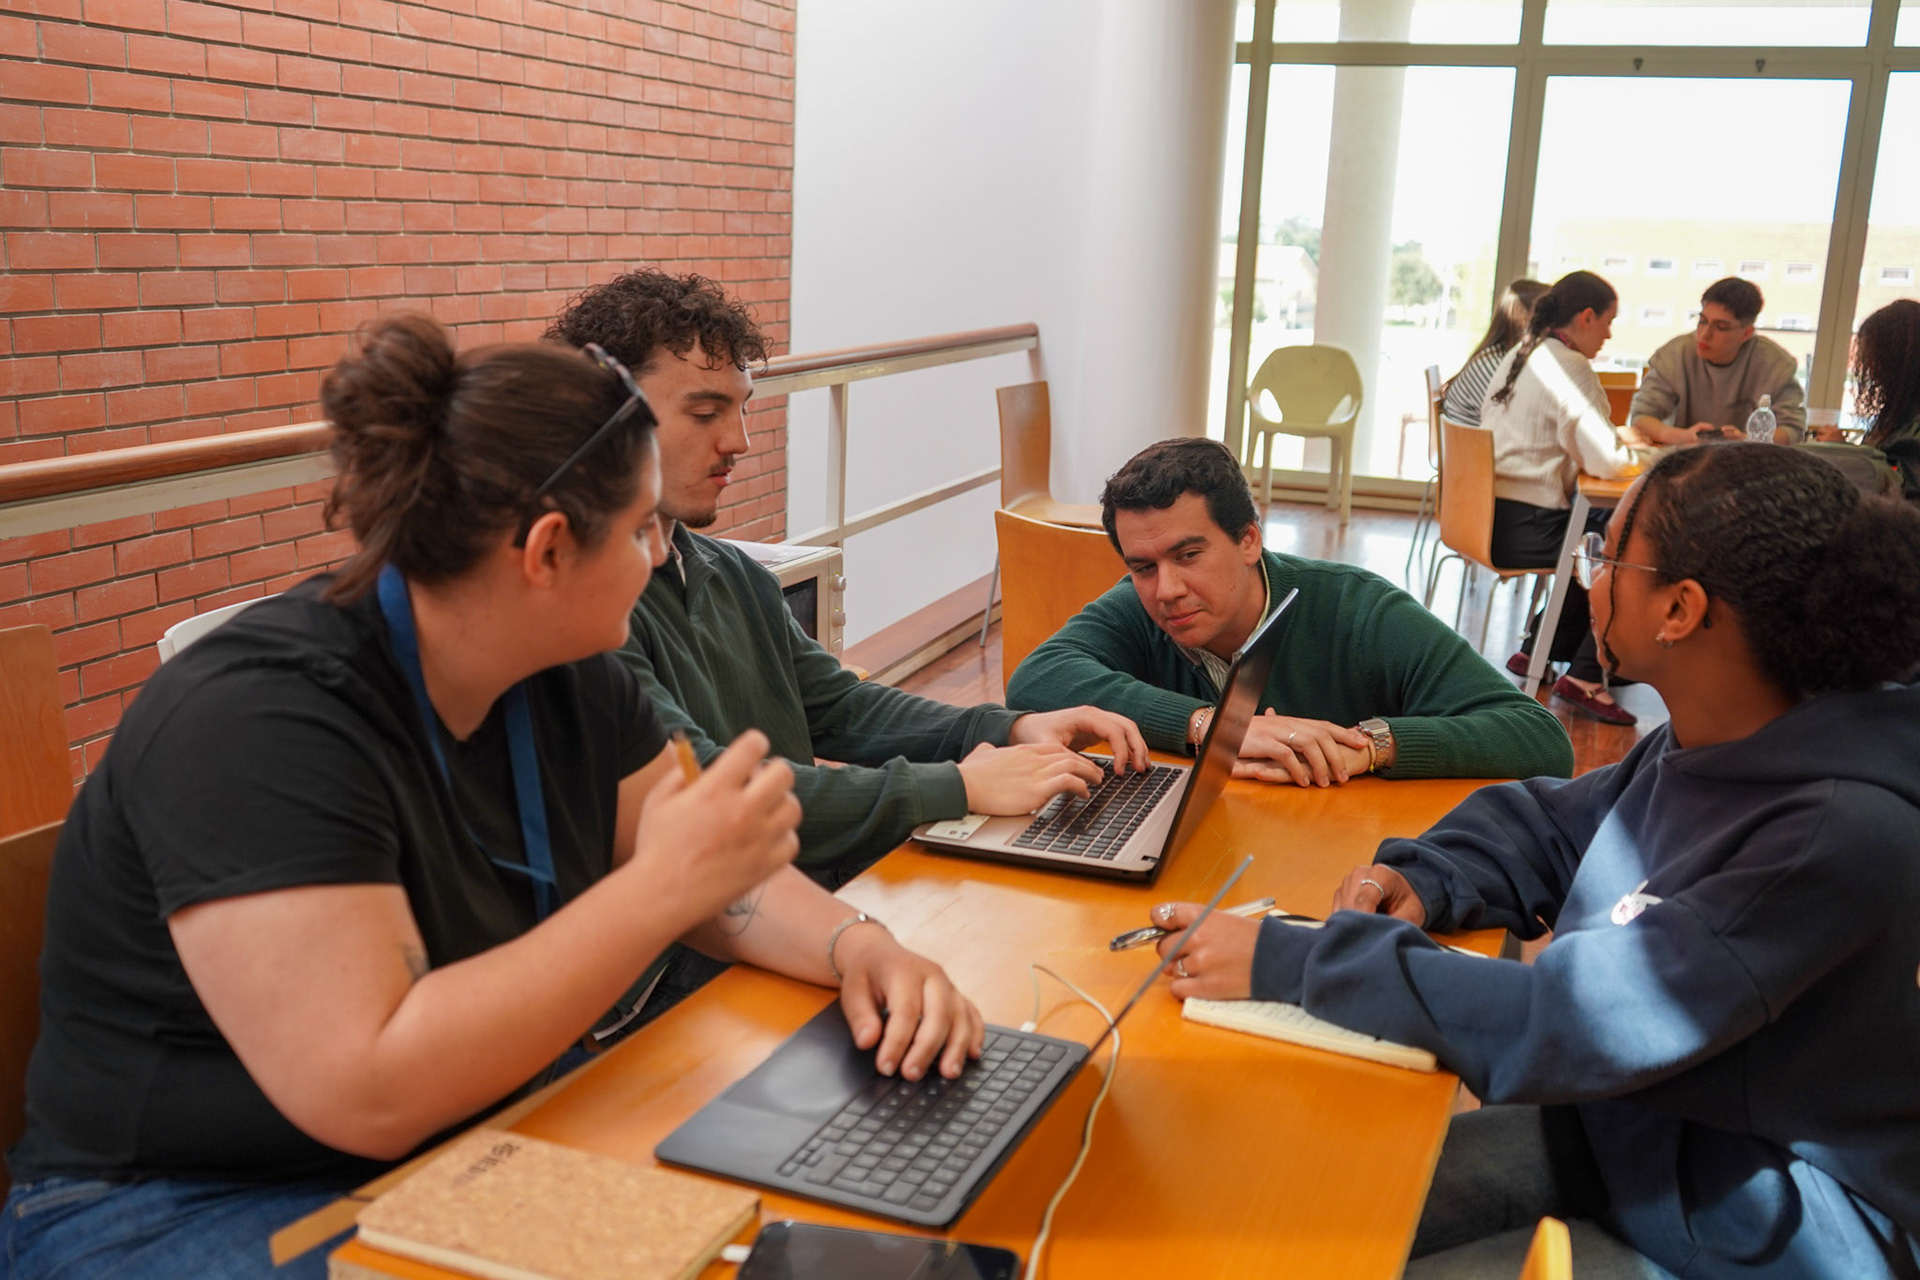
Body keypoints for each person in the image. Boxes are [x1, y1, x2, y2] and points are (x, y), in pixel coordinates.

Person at [1, 316, 985, 1280]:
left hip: (475, 1127)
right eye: (641, 529)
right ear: (548, 550)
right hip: (184, 1198)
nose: (659, 555)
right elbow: (369, 1090)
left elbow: (720, 878)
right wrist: (657, 892)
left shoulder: (571, 671)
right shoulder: (258, 719)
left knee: (844, 1213)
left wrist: (860, 946)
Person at [1146, 442, 1920, 1279]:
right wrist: (1426, 876)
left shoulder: (1827, 838)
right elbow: (1555, 824)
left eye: (1608, 557)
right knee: (1280, 1216)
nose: (1590, 579)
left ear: (1680, 609)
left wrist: (1289, 962)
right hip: (1628, 1142)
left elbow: (1577, 1020)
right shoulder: (1720, 735)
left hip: (1751, 1235)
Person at [546, 269, 1146, 887]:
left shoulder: (733, 573)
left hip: (796, 893)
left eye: (743, 409)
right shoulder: (589, 615)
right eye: (704, 413)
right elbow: (704, 792)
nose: (740, 441)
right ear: (610, 422)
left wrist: (1008, 728)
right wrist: (957, 786)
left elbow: (840, 707)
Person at [1003, 437, 1574, 786]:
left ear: (1249, 540)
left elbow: (1540, 738)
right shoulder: (1138, 602)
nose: (1166, 589)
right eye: (1143, 566)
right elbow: (1037, 678)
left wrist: (1370, 747)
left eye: (1189, 555)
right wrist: (1211, 727)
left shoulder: (1359, 610)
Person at [1480, 270, 1643, 725]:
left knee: (1592, 533)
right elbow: (1608, 461)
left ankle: (1542, 647)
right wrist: (1645, 458)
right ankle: (1587, 675)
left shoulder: (1524, 351)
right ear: (1587, 317)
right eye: (1608, 322)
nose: (1609, 335)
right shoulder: (1569, 366)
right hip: (1527, 528)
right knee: (1626, 542)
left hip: (1494, 519)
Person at [1631, 276, 1807, 445]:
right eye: (1702, 321)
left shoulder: (1775, 365)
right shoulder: (1674, 355)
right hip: (1685, 455)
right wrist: (1683, 437)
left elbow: (1793, 429)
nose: (1704, 334)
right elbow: (1641, 416)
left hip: (1750, 458)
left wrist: (1748, 441)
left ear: (1746, 333)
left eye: (1721, 327)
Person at [1810, 299, 1920, 501]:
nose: (1866, 365)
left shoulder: (1912, 426)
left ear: (1895, 357)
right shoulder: (1901, 408)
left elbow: (1901, 494)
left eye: (1872, 353)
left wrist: (1847, 454)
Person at [1440, 278, 1548, 427]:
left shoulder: (1496, 356)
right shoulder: (1495, 365)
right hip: (1475, 441)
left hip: (1472, 439)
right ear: (1526, 319)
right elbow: (1514, 423)